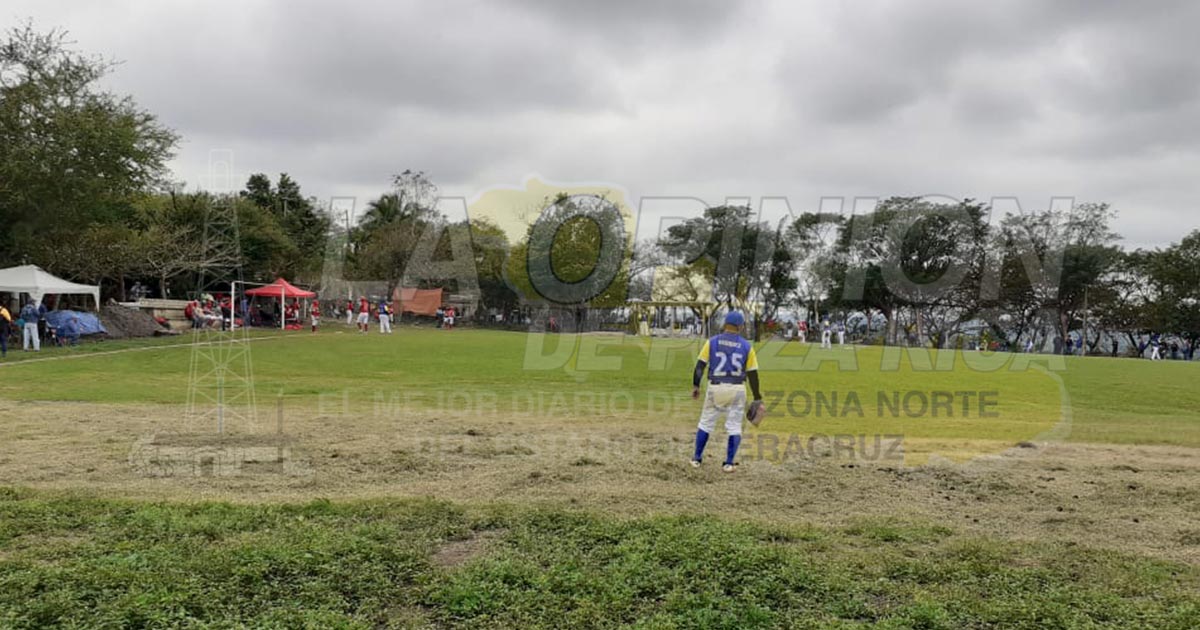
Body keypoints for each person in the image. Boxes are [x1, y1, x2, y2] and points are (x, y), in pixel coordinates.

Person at [690, 311, 762, 473]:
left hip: (715, 387)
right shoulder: (746, 346)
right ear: (740, 326)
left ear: (725, 324)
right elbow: (752, 374)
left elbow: (700, 366)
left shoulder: (712, 342)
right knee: (734, 426)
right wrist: (757, 397)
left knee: (706, 423)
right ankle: (728, 463)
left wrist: (696, 386)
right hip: (737, 388)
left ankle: (696, 459)